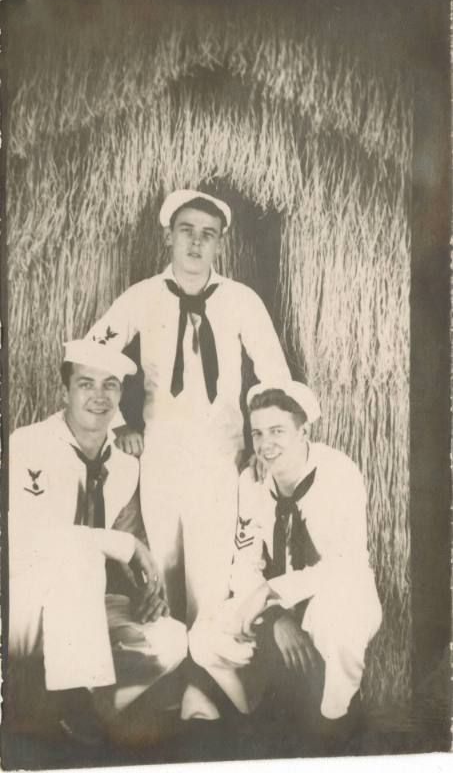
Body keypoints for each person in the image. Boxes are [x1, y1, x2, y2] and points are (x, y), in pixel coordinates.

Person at [86, 189, 291, 625]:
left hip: (220, 457)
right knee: (161, 569)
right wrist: (120, 423)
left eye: (208, 235)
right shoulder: (142, 297)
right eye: (187, 232)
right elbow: (92, 353)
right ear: (169, 237)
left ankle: (205, 679)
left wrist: (263, 443)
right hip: (161, 456)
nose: (196, 243)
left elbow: (275, 376)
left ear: (219, 243)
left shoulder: (242, 301)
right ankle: (171, 681)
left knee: (211, 580)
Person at [186, 381, 382, 750]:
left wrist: (270, 592)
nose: (265, 444)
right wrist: (276, 617)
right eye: (258, 433)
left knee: (338, 620)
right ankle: (253, 709)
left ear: (303, 431)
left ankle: (336, 718)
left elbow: (345, 564)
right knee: (203, 637)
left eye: (277, 431)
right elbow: (244, 562)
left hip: (337, 592)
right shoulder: (252, 480)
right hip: (278, 605)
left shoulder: (338, 473)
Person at [8, 340, 187, 742]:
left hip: (84, 611)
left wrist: (148, 590)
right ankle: (82, 706)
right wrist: (124, 547)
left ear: (121, 395)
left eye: (111, 385)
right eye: (86, 384)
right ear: (65, 390)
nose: (99, 396)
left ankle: (73, 700)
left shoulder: (123, 465)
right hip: (23, 603)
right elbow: (31, 538)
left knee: (172, 637)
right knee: (80, 557)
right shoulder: (27, 443)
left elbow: (128, 538)